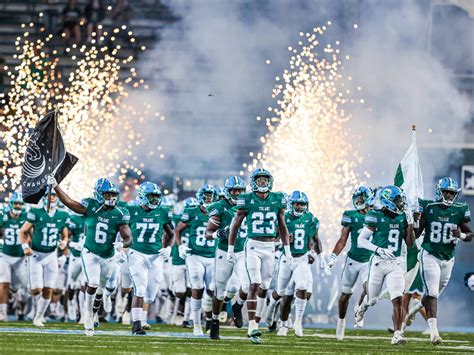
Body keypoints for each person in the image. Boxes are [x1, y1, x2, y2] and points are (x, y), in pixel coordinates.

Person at [47, 175, 132, 336]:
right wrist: (56, 186)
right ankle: (88, 316)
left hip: (109, 255)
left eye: (113, 194)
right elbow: (70, 203)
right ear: (99, 194)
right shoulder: (91, 206)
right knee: (92, 283)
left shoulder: (120, 212)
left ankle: (94, 312)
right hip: (90, 252)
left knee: (101, 288)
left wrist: (123, 244)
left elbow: (129, 237)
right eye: (107, 194)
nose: (111, 197)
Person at [227, 168, 290, 344]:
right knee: (254, 283)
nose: (262, 183)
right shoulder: (246, 199)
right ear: (254, 182)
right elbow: (235, 225)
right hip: (253, 245)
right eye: (259, 180)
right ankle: (252, 326)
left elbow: (283, 226)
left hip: (270, 247)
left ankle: (239, 306)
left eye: (265, 180)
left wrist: (288, 249)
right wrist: (231, 248)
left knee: (264, 286)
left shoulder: (278, 199)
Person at [356, 185, 414, 345]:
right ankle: (362, 307)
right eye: (397, 200)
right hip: (378, 262)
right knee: (372, 299)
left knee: (397, 298)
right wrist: (378, 249)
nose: (401, 203)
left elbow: (410, 244)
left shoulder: (403, 218)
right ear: (388, 201)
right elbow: (361, 241)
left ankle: (397, 334)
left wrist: (410, 223)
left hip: (395, 264)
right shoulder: (374, 215)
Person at [416, 177, 472, 345]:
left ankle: (412, 311)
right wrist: (413, 221)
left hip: (448, 258)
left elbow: (470, 235)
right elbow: (418, 233)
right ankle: (434, 333)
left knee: (431, 296)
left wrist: (461, 235)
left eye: (451, 193)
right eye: (446, 192)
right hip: (430, 254)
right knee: (432, 294)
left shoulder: (460, 209)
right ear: (439, 191)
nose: (448, 195)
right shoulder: (428, 207)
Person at [265, 191, 320, 337]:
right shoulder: (283, 217)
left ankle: (298, 322)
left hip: (301, 258)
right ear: (291, 204)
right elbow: (272, 239)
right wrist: (283, 240)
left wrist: (313, 253)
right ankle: (271, 305)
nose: (300, 207)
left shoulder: (310, 218)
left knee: (302, 287)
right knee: (281, 292)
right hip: (286, 259)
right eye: (297, 203)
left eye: (302, 204)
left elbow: (313, 239)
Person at [125, 181, 174, 335]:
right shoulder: (130, 210)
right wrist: (121, 244)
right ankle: (136, 324)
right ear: (142, 196)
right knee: (139, 288)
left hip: (156, 256)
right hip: (137, 253)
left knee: (151, 295)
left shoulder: (163, 211)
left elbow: (171, 234)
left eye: (156, 197)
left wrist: (168, 248)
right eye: (151, 196)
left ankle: (140, 318)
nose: (154, 200)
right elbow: (118, 226)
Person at [327, 186, 375, 340]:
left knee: (369, 288)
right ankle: (341, 322)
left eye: (362, 198)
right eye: (358, 198)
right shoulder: (350, 215)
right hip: (352, 260)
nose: (359, 201)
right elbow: (343, 239)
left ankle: (359, 308)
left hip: (369, 260)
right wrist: (334, 256)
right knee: (345, 295)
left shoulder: (377, 215)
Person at [19, 189, 69, 327]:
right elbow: (23, 231)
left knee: (49, 288)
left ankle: (39, 316)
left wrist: (64, 243)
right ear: (44, 198)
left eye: (53, 195)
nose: (51, 198)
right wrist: (25, 247)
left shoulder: (63, 215)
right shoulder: (36, 213)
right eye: (49, 195)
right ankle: (36, 309)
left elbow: (65, 235)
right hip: (36, 254)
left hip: (51, 255)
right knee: (36, 289)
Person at [205, 176, 247, 340]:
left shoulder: (248, 205)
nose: (237, 193)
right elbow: (207, 233)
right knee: (220, 291)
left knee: (247, 284)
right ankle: (214, 322)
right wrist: (217, 234)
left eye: (239, 191)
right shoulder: (219, 207)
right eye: (234, 190)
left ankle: (237, 306)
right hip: (223, 252)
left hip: (242, 251)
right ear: (227, 191)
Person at [175, 185, 216, 336]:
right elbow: (178, 229)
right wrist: (180, 246)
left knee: (212, 289)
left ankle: (211, 320)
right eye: (206, 195)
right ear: (200, 197)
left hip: (212, 256)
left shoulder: (218, 211)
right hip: (195, 255)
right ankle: (197, 324)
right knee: (197, 287)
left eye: (211, 195)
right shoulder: (191, 211)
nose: (209, 198)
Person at [0, 192, 28, 321]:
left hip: (21, 257)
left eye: (20, 203)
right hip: (5, 255)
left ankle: (15, 297)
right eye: (16, 203)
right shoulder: (3, 217)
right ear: (11, 204)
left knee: (18, 287)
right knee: (3, 284)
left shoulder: (26, 217)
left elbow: (32, 235)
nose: (18, 205)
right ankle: (3, 312)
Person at [171, 197, 197, 328]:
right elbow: (170, 232)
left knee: (192, 289)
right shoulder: (177, 220)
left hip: (193, 258)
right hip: (178, 259)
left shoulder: (198, 219)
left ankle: (187, 317)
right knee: (180, 291)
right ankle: (180, 311)